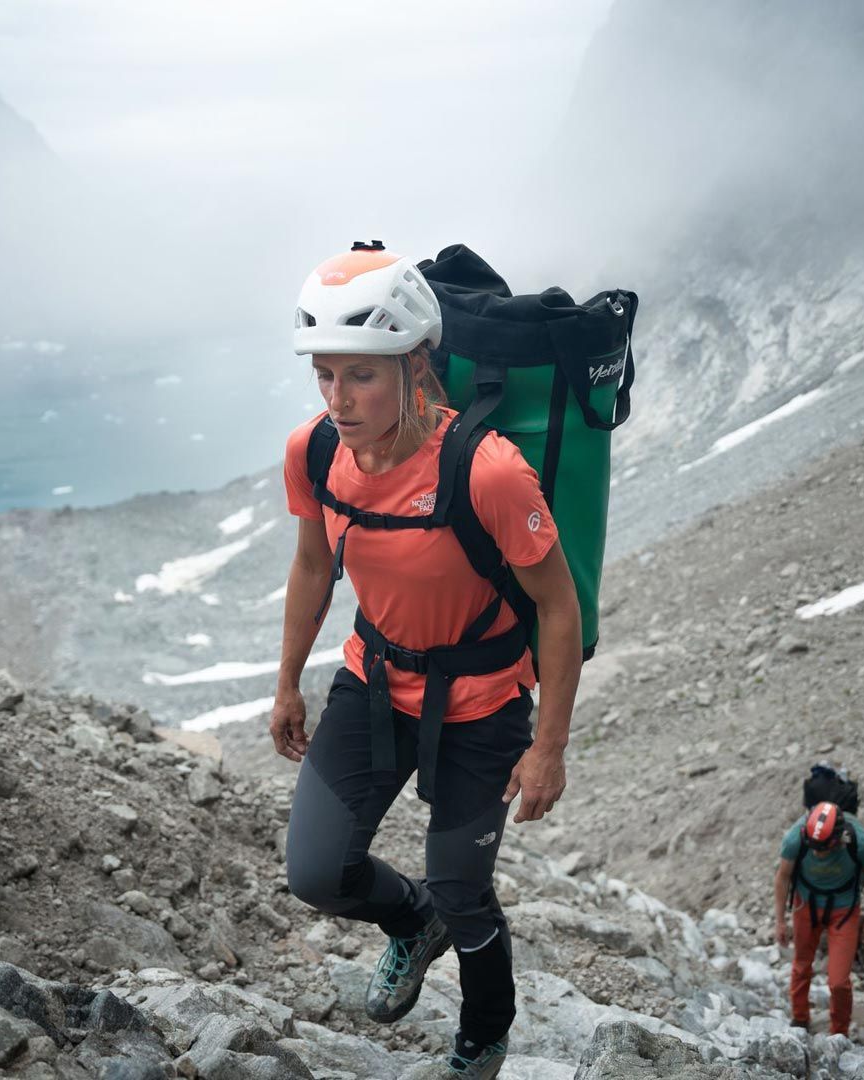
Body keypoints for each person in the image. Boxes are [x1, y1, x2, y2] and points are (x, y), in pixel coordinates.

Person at [271, 244, 583, 1079]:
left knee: (462, 888)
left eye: (360, 376)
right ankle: (412, 922)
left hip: (481, 703)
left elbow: (558, 606)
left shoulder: (488, 471)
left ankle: (483, 1036)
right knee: (316, 873)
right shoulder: (314, 452)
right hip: (373, 683)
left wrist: (548, 746)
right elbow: (312, 566)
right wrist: (287, 683)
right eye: (324, 375)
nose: (337, 398)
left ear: (415, 367)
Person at [774, 800, 864, 1037]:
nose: (816, 852)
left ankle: (839, 1033)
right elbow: (783, 876)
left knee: (839, 981)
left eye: (822, 848)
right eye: (813, 846)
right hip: (806, 907)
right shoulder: (795, 839)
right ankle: (800, 1019)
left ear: (837, 840)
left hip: (844, 911)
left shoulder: (860, 842)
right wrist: (780, 921)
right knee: (802, 965)